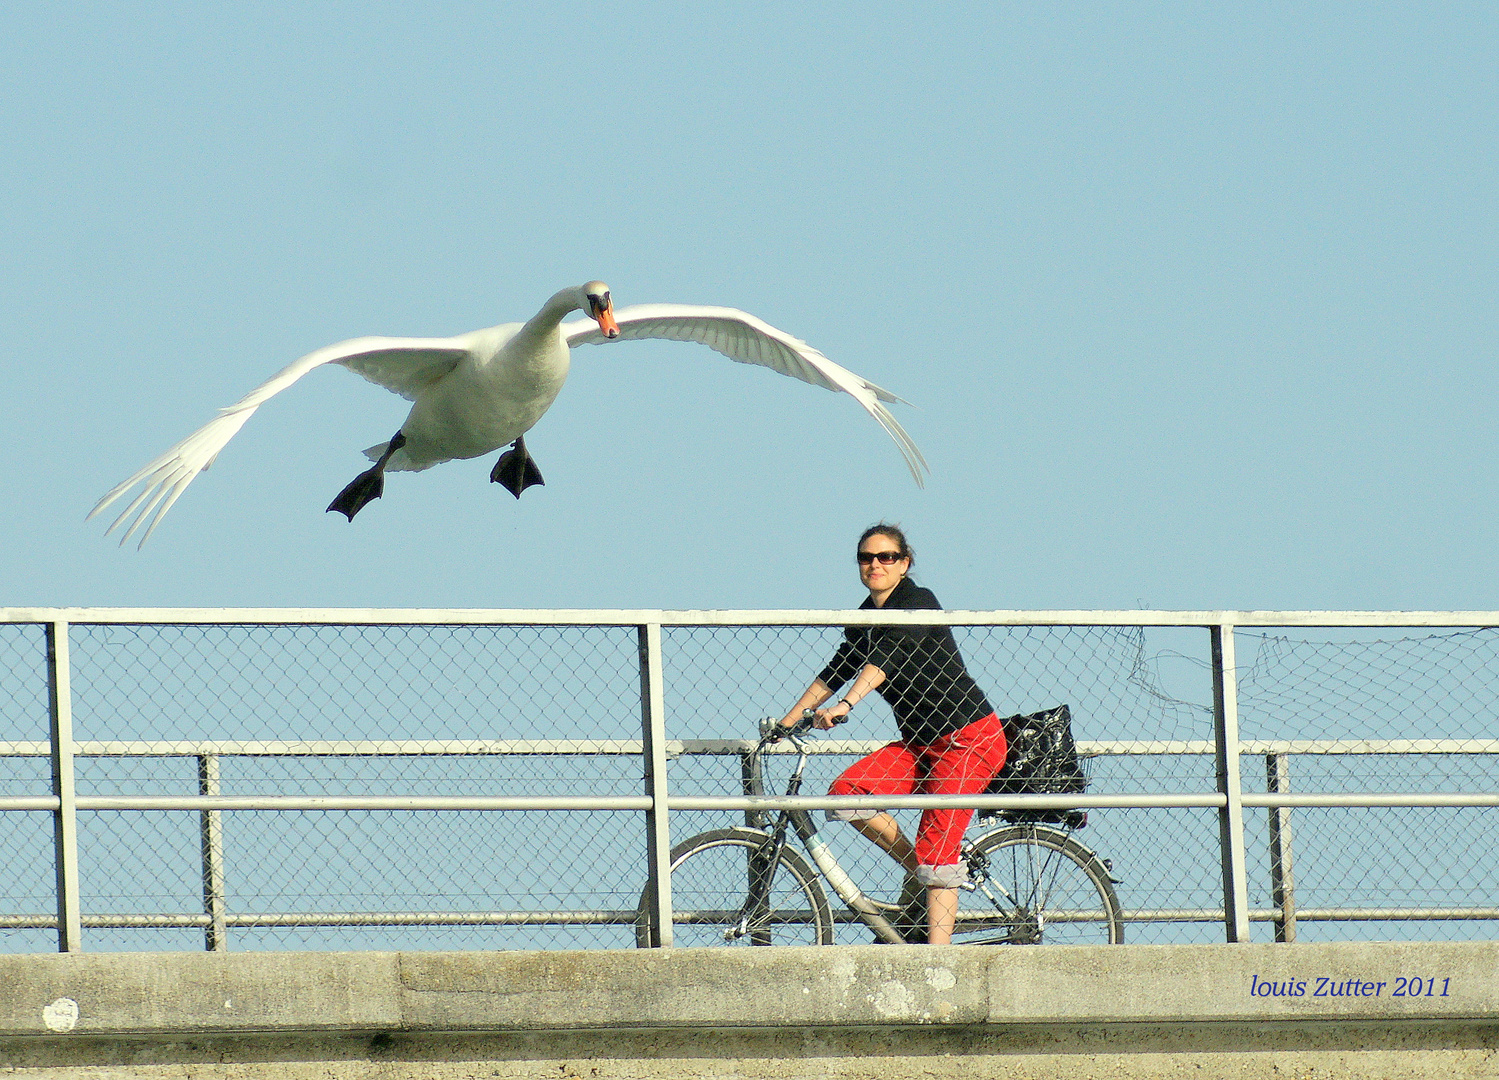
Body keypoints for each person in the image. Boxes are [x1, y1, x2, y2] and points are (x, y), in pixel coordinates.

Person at [776, 524, 1009, 944]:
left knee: (938, 849)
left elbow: (885, 659)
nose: (875, 565)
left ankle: (937, 967)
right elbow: (838, 668)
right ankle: (920, 871)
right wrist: (786, 722)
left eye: (886, 557)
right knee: (848, 793)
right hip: (921, 744)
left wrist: (846, 706)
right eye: (867, 558)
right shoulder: (865, 617)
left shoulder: (917, 602)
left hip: (967, 738)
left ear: (904, 563)